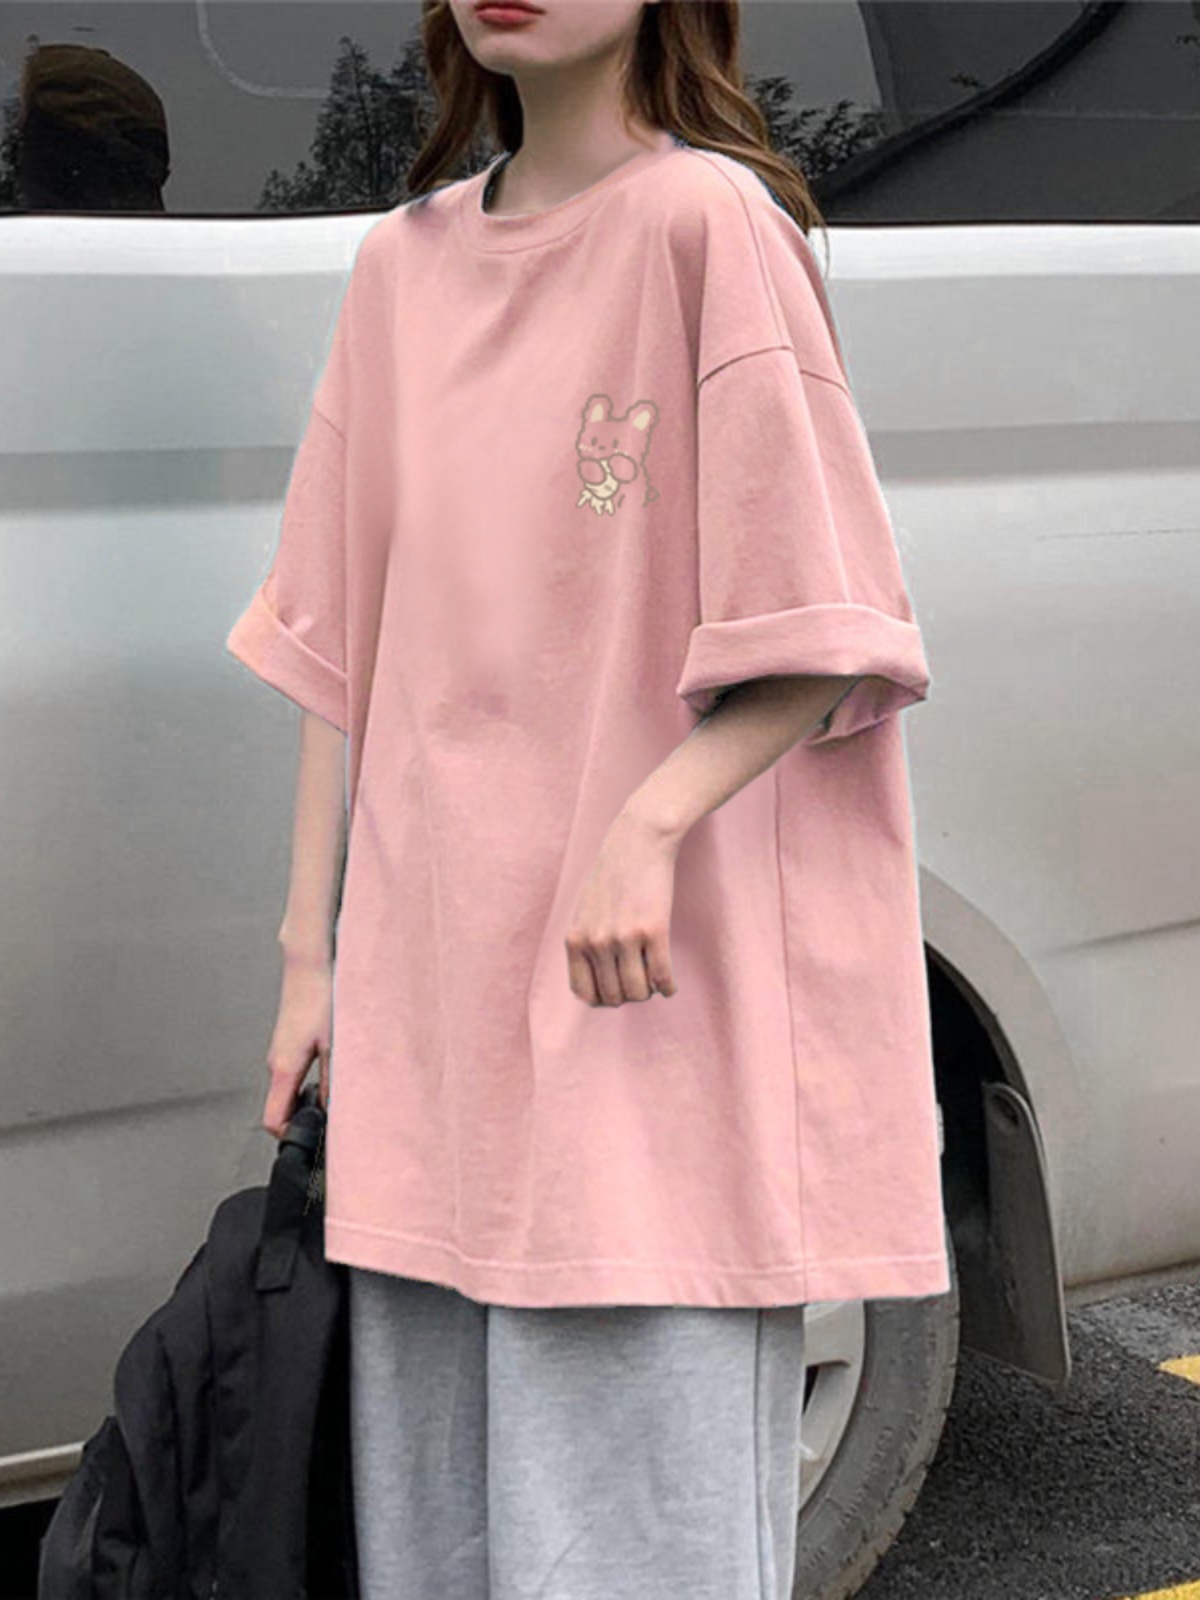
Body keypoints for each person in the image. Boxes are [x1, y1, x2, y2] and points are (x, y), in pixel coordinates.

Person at [224, 2, 951, 1595]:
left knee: (636, 1549)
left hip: (644, 1014)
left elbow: (830, 626)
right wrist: (306, 957)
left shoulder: (708, 224)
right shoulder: (400, 266)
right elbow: (340, 641)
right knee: (437, 1547)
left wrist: (647, 820)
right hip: (437, 1019)